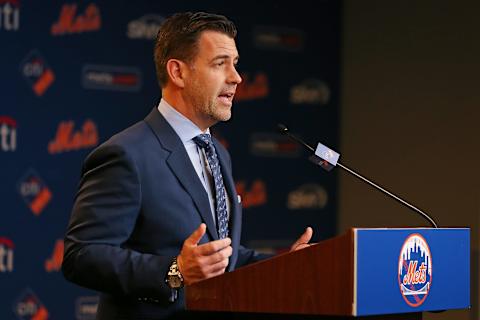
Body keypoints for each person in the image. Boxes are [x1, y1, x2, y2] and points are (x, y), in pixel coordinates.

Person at [62, 11, 313, 320]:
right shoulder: (126, 154)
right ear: (178, 72)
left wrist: (285, 266)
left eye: (235, 64)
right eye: (220, 64)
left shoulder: (218, 153)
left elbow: (220, 256)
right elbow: (81, 257)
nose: (236, 77)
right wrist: (175, 271)